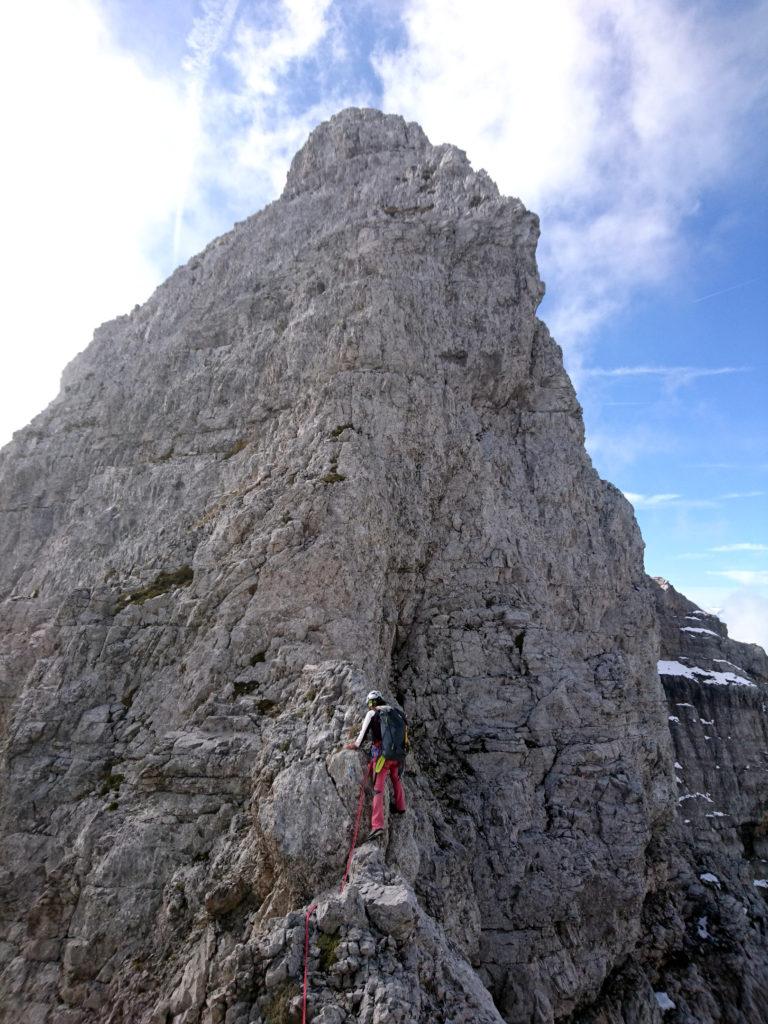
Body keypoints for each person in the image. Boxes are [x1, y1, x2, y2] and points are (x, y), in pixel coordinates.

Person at [345, 690, 407, 840]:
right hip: (397, 755)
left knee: (378, 789)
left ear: (371, 703)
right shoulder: (394, 712)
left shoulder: (372, 714)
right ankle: (401, 806)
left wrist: (354, 745)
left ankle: (377, 825)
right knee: (396, 779)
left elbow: (361, 738)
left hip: (382, 756)